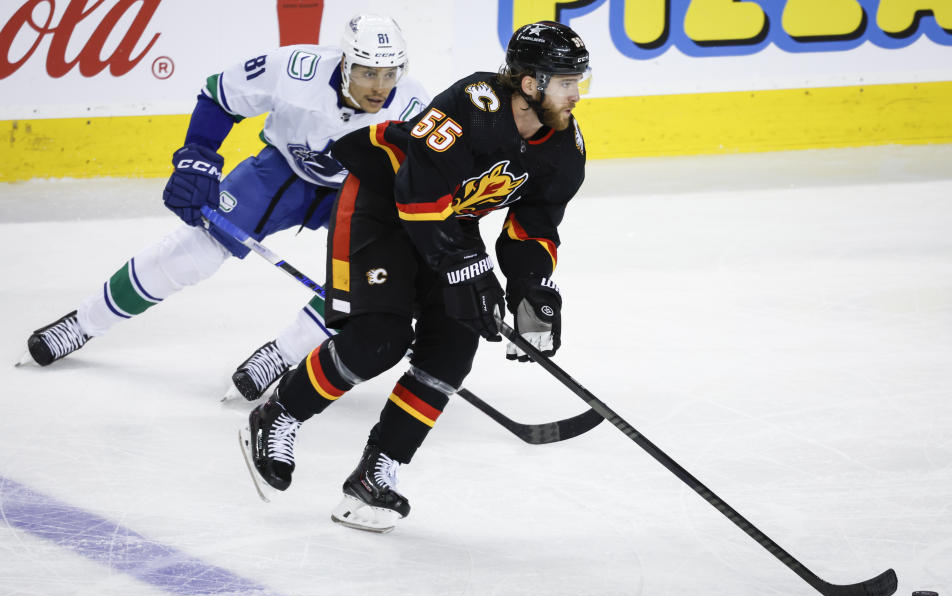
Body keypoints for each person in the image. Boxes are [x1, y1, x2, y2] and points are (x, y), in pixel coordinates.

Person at [239, 21, 590, 533]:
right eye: (564, 82)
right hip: (384, 205)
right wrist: (467, 269)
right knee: (379, 339)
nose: (576, 95)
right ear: (531, 84)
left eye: (579, 81)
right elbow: (418, 195)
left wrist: (532, 288)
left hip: (447, 226)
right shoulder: (473, 104)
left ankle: (376, 473)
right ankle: (280, 415)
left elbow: (530, 230)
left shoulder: (564, 152)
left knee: (451, 353)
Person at [22, 15, 428, 374]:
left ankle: (280, 356)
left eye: (389, 73)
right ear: (344, 64)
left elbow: (428, 180)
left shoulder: (414, 107)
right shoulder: (295, 70)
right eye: (366, 73)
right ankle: (82, 323)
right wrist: (196, 157)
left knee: (361, 282)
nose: (379, 87)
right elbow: (220, 94)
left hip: (360, 193)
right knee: (195, 251)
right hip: (281, 170)